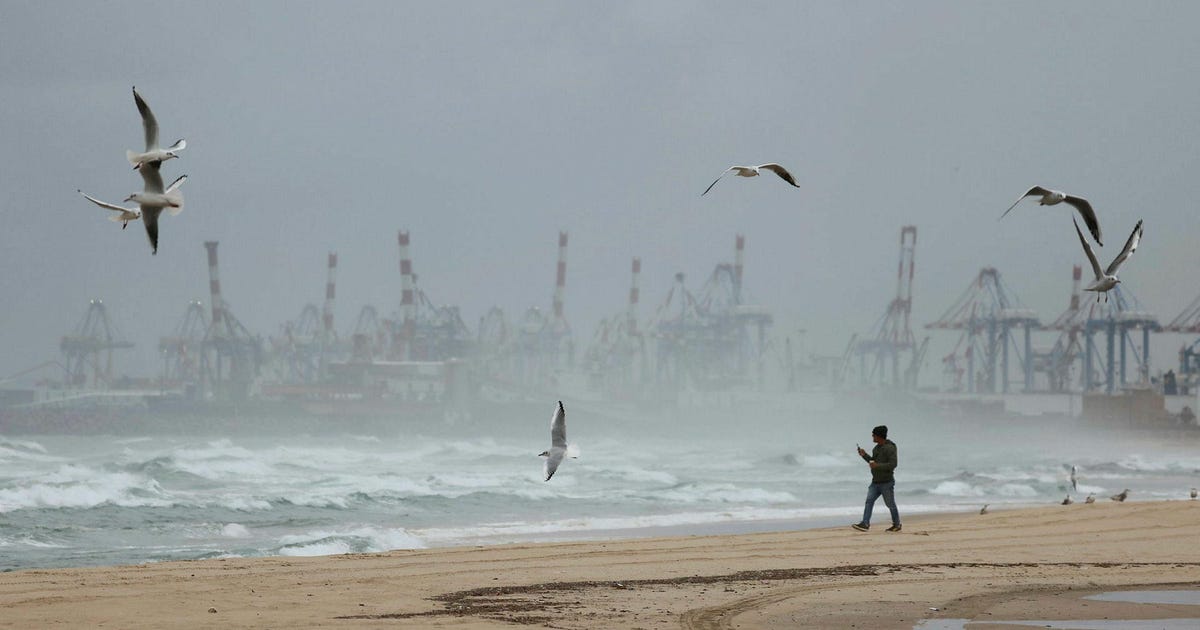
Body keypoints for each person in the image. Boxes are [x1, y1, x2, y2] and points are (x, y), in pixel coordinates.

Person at [852, 425, 900, 532]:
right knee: (869, 501)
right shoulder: (876, 448)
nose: (872, 437)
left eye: (874, 435)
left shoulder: (890, 448)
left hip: (886, 482)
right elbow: (873, 462)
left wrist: (877, 466)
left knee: (890, 504)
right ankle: (865, 523)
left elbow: (893, 464)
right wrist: (864, 455)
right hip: (875, 482)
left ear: (879, 436)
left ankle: (897, 524)